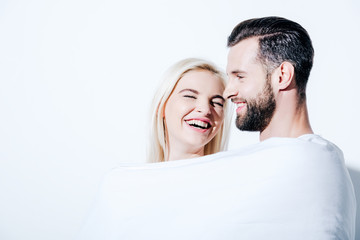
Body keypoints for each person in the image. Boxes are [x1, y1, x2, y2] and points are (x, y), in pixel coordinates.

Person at [147, 58, 231, 162]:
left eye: (217, 103)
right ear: (161, 107)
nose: (205, 109)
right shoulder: (138, 176)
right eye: (190, 96)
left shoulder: (230, 176)